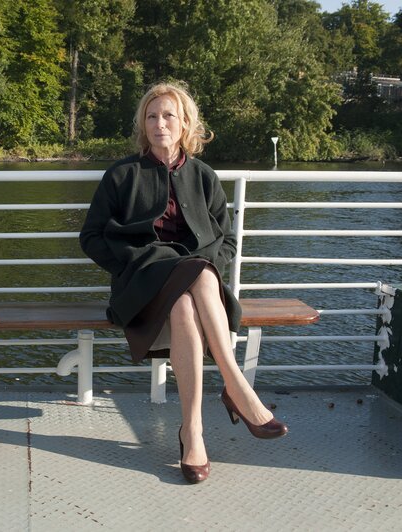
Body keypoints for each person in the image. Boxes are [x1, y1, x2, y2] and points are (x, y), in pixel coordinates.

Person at [79, 82, 287, 484]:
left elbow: (227, 241)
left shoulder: (203, 176)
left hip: (191, 291)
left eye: (168, 115)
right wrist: (129, 266)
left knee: (190, 294)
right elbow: (90, 237)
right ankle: (236, 386)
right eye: (152, 116)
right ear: (143, 124)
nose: (160, 123)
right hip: (141, 286)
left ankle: (192, 431)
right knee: (200, 273)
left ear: (185, 123)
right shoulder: (122, 175)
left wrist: (205, 265)